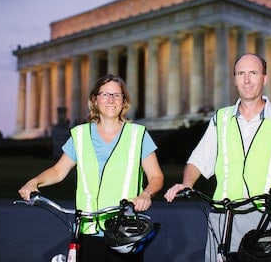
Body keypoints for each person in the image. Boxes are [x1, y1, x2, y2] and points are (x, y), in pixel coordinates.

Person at [164, 53, 271, 261]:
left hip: (267, 217)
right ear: (234, 79)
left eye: (253, 73)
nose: (247, 80)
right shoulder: (221, 118)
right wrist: (186, 183)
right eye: (241, 74)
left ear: (264, 78)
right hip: (224, 217)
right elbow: (198, 159)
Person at [19, 74, 164, 262]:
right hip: (88, 229)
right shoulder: (80, 135)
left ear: (124, 102)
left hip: (125, 232)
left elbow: (156, 177)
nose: (111, 100)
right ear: (95, 100)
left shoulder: (138, 135)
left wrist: (146, 194)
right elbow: (58, 171)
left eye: (116, 95)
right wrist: (34, 181)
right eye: (105, 94)